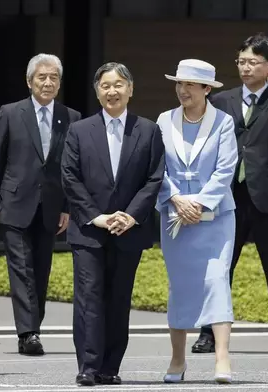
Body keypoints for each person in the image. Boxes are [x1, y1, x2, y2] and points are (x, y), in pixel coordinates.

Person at [191, 33, 268, 357]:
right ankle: (207, 333)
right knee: (219, 266)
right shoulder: (222, 100)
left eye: (253, 62)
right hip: (228, 196)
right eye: (241, 61)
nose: (245, 67)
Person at [61, 62, 165, 386]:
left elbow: (154, 178)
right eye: (105, 85)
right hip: (90, 230)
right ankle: (88, 367)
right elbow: (69, 176)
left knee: (119, 299)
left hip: (128, 230)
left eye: (119, 84)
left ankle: (110, 366)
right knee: (89, 298)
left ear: (130, 90)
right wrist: (98, 216)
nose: (112, 91)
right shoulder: (79, 129)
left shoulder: (147, 130)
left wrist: (130, 216)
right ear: (97, 91)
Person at [0, 53, 81, 356]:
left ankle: (32, 328)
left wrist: (67, 206)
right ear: (29, 82)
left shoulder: (71, 117)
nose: (48, 82)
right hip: (13, 204)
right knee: (21, 268)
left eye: (53, 77)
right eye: (42, 77)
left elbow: (71, 167)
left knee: (41, 270)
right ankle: (28, 332)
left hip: (51, 207)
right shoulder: (11, 113)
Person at [156, 60, 236, 384]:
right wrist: (177, 199)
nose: (183, 90)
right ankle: (177, 358)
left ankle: (222, 358)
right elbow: (155, 167)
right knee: (180, 287)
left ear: (206, 89)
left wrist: (200, 201)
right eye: (179, 83)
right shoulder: (164, 120)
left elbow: (226, 168)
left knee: (217, 280)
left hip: (216, 218)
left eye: (190, 84)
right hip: (175, 216)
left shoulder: (224, 122)